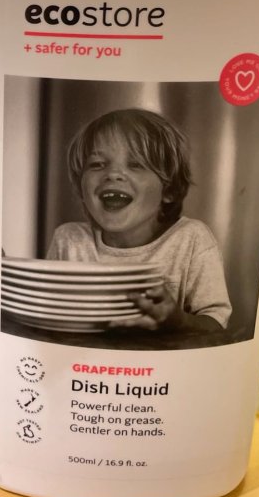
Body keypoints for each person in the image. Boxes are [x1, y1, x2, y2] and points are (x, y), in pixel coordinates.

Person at [46, 108, 232, 333]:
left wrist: (178, 321)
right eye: (97, 164)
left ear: (169, 190)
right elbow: (46, 315)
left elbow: (216, 327)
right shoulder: (69, 240)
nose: (113, 174)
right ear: (80, 187)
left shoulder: (191, 239)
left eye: (135, 164)